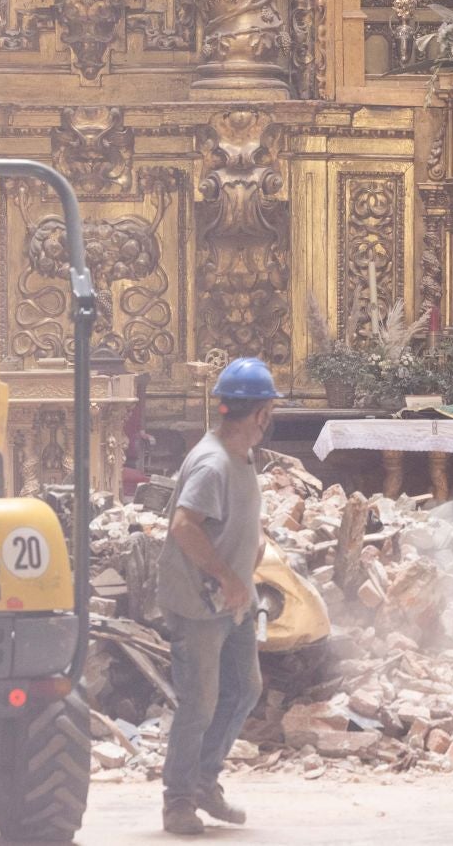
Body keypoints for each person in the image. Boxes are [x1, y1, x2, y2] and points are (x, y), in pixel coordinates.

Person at [156, 356, 282, 836]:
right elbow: (184, 526)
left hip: (232, 600)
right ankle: (179, 800)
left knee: (244, 688)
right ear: (259, 413)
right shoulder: (213, 463)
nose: (270, 418)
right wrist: (228, 576)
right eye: (269, 409)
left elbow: (231, 518)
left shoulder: (240, 456)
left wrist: (252, 549)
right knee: (200, 702)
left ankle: (205, 781)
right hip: (200, 602)